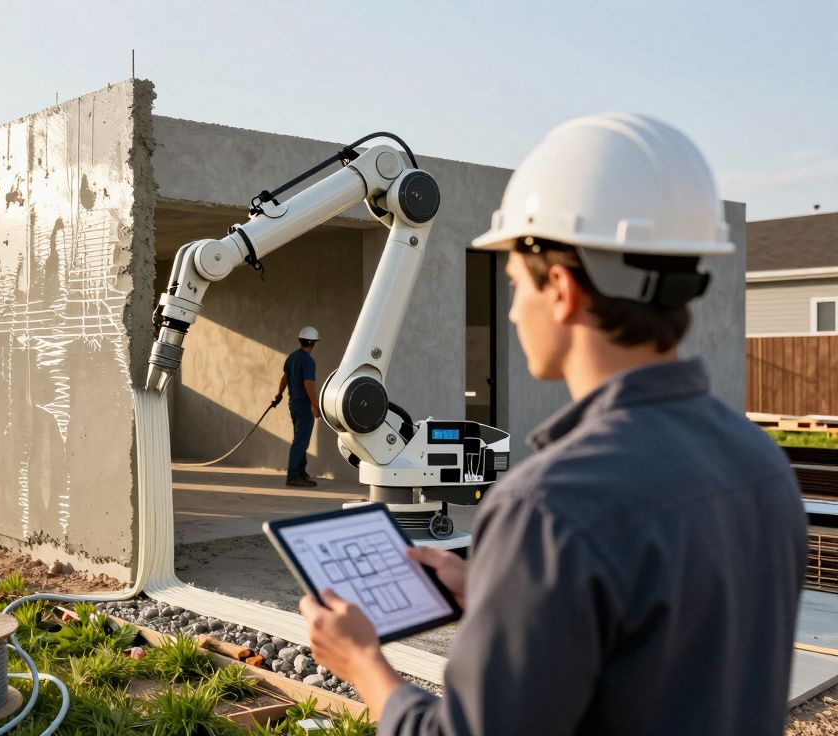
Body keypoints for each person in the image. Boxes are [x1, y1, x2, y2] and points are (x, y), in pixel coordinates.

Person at [299, 114, 806, 734]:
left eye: (515, 284)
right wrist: (503, 594)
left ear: (562, 289)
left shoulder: (547, 508)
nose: (513, 312)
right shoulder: (762, 465)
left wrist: (363, 663)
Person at [276, 326, 321, 487]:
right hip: (304, 405)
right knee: (301, 441)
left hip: (293, 404)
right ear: (313, 343)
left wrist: (279, 395)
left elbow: (284, 378)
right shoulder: (308, 361)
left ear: (300, 340)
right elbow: (308, 383)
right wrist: (315, 405)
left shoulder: (292, 357)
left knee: (299, 439)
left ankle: (301, 472)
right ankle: (293, 475)